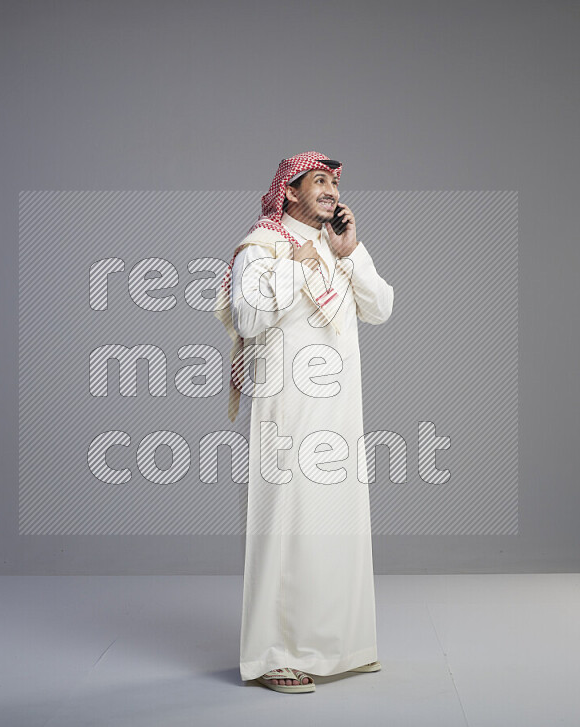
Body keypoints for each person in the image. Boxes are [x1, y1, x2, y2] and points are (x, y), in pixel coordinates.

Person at [214, 151, 394, 693]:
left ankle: (340, 646)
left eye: (335, 184)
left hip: (339, 416)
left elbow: (381, 307)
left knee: (338, 525)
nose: (332, 191)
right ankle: (273, 656)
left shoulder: (336, 248)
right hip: (287, 414)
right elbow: (247, 317)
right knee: (285, 530)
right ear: (289, 191)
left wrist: (351, 252)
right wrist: (296, 263)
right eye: (320, 181)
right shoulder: (262, 247)